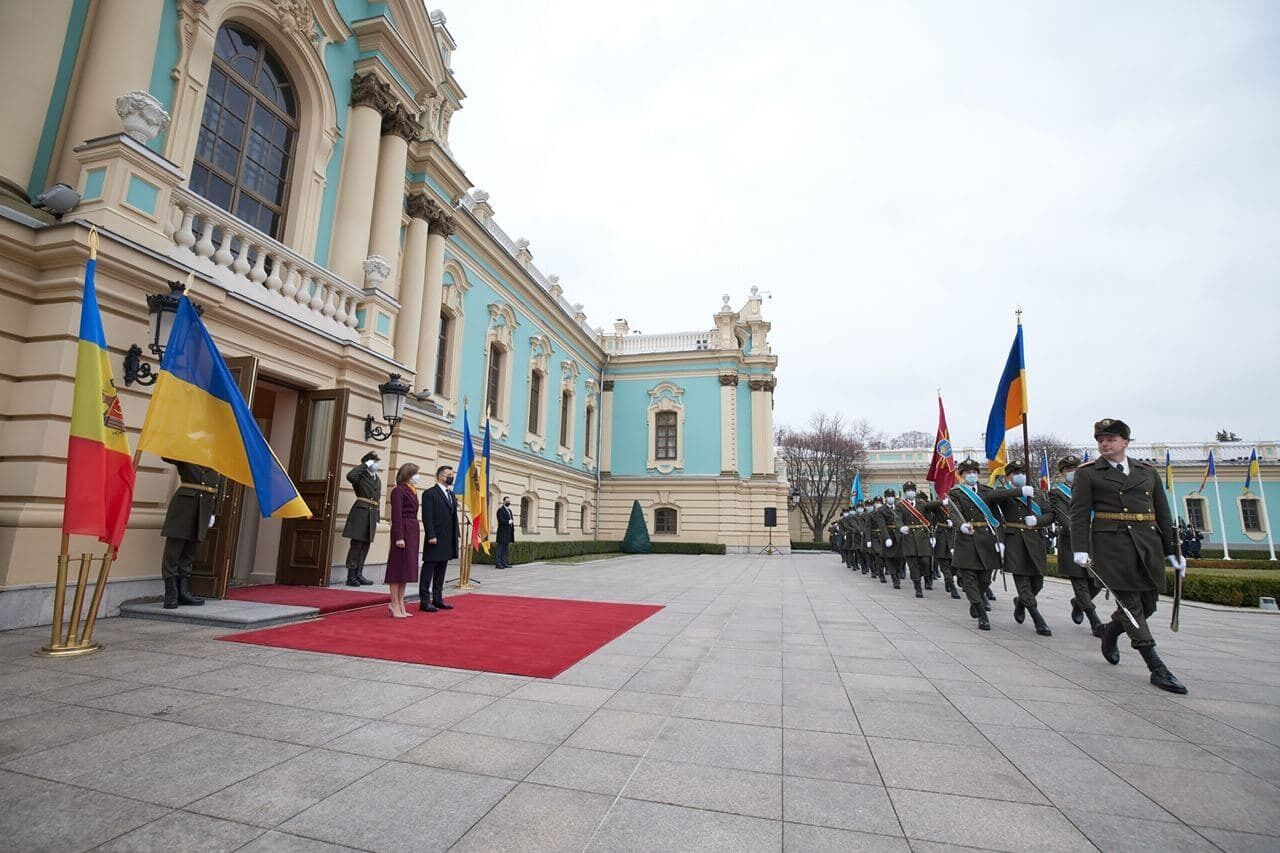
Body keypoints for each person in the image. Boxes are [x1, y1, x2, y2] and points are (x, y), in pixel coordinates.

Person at [1070, 418, 1188, 694]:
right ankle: (1157, 668)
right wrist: (1080, 548)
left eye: (1110, 439)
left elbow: (1163, 511)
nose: (1104, 444)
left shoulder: (1146, 472)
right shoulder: (1088, 473)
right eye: (1100, 440)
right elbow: (1078, 512)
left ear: (1125, 442)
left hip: (1147, 546)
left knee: (1148, 606)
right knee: (1132, 608)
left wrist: (1171, 550)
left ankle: (1111, 631)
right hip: (1111, 547)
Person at [991, 460, 1055, 636]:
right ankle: (1037, 618)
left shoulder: (1038, 494)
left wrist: (1038, 521)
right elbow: (990, 498)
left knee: (1037, 583)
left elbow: (1050, 514)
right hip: (1015, 542)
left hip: (1035, 540)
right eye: (1015, 473)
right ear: (1008, 477)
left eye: (1022, 472)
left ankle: (1021, 602)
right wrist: (1019, 491)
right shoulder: (1006, 494)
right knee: (1022, 580)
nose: (1019, 476)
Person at [947, 459, 1007, 630]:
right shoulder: (956, 493)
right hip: (967, 539)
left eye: (974, 472)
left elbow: (996, 518)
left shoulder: (987, 491)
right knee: (969, 578)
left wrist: (1000, 540)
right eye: (967, 473)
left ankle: (976, 601)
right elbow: (954, 511)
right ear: (962, 475)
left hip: (986, 539)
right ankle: (982, 614)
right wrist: (961, 525)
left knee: (985, 578)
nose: (971, 475)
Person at [1050, 454, 1104, 637]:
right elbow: (1063, 517)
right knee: (1080, 581)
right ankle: (1094, 620)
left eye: (1075, 470)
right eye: (1068, 471)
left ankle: (1079, 603)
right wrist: (1079, 532)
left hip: (1095, 541)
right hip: (1071, 541)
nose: (1072, 473)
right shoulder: (1057, 493)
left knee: (1098, 581)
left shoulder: (1091, 491)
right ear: (1063, 474)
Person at [159, 458, 220, 609]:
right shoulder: (187, 455)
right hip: (184, 507)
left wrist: (214, 512)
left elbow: (220, 490)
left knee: (190, 551)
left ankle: (183, 591)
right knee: (173, 552)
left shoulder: (219, 461)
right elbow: (167, 455)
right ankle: (170, 593)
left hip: (204, 509)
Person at [420, 464, 460, 612]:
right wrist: (431, 535)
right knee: (429, 569)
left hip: (447, 538)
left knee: (441, 570)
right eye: (449, 474)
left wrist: (456, 535)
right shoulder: (430, 493)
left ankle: (438, 599)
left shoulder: (451, 494)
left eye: (452, 473)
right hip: (435, 537)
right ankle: (424, 600)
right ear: (440, 476)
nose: (452, 476)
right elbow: (427, 516)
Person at [384, 463, 421, 617]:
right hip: (403, 530)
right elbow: (396, 515)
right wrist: (399, 537)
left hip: (412, 530)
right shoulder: (398, 491)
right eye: (415, 474)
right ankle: (394, 603)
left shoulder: (413, 491)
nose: (417, 477)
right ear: (407, 475)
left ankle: (401, 602)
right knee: (397, 569)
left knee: (406, 570)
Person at [341, 451, 381, 586]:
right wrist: (364, 465)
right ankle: (351, 576)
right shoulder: (360, 476)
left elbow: (377, 499)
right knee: (356, 545)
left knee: (365, 545)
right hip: (361, 512)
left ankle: (359, 574)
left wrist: (378, 517)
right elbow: (350, 476)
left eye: (376, 462)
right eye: (374, 462)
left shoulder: (377, 478)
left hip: (372, 514)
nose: (376, 464)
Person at [896, 481, 936, 598]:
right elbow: (897, 518)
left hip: (923, 537)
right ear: (905, 493)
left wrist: (932, 536)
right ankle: (917, 587)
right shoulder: (900, 505)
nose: (910, 492)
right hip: (909, 537)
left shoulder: (922, 503)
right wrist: (901, 527)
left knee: (925, 561)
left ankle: (927, 577)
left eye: (912, 490)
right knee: (912, 564)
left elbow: (929, 521)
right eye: (908, 490)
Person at [495, 496, 515, 569]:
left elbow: (511, 520)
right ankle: (498, 563)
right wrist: (508, 521)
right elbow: (500, 520)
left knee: (505, 549)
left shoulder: (509, 510)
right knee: (500, 548)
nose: (508, 502)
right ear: (503, 501)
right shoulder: (500, 510)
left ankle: (504, 563)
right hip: (502, 532)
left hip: (508, 533)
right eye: (507, 501)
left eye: (509, 501)